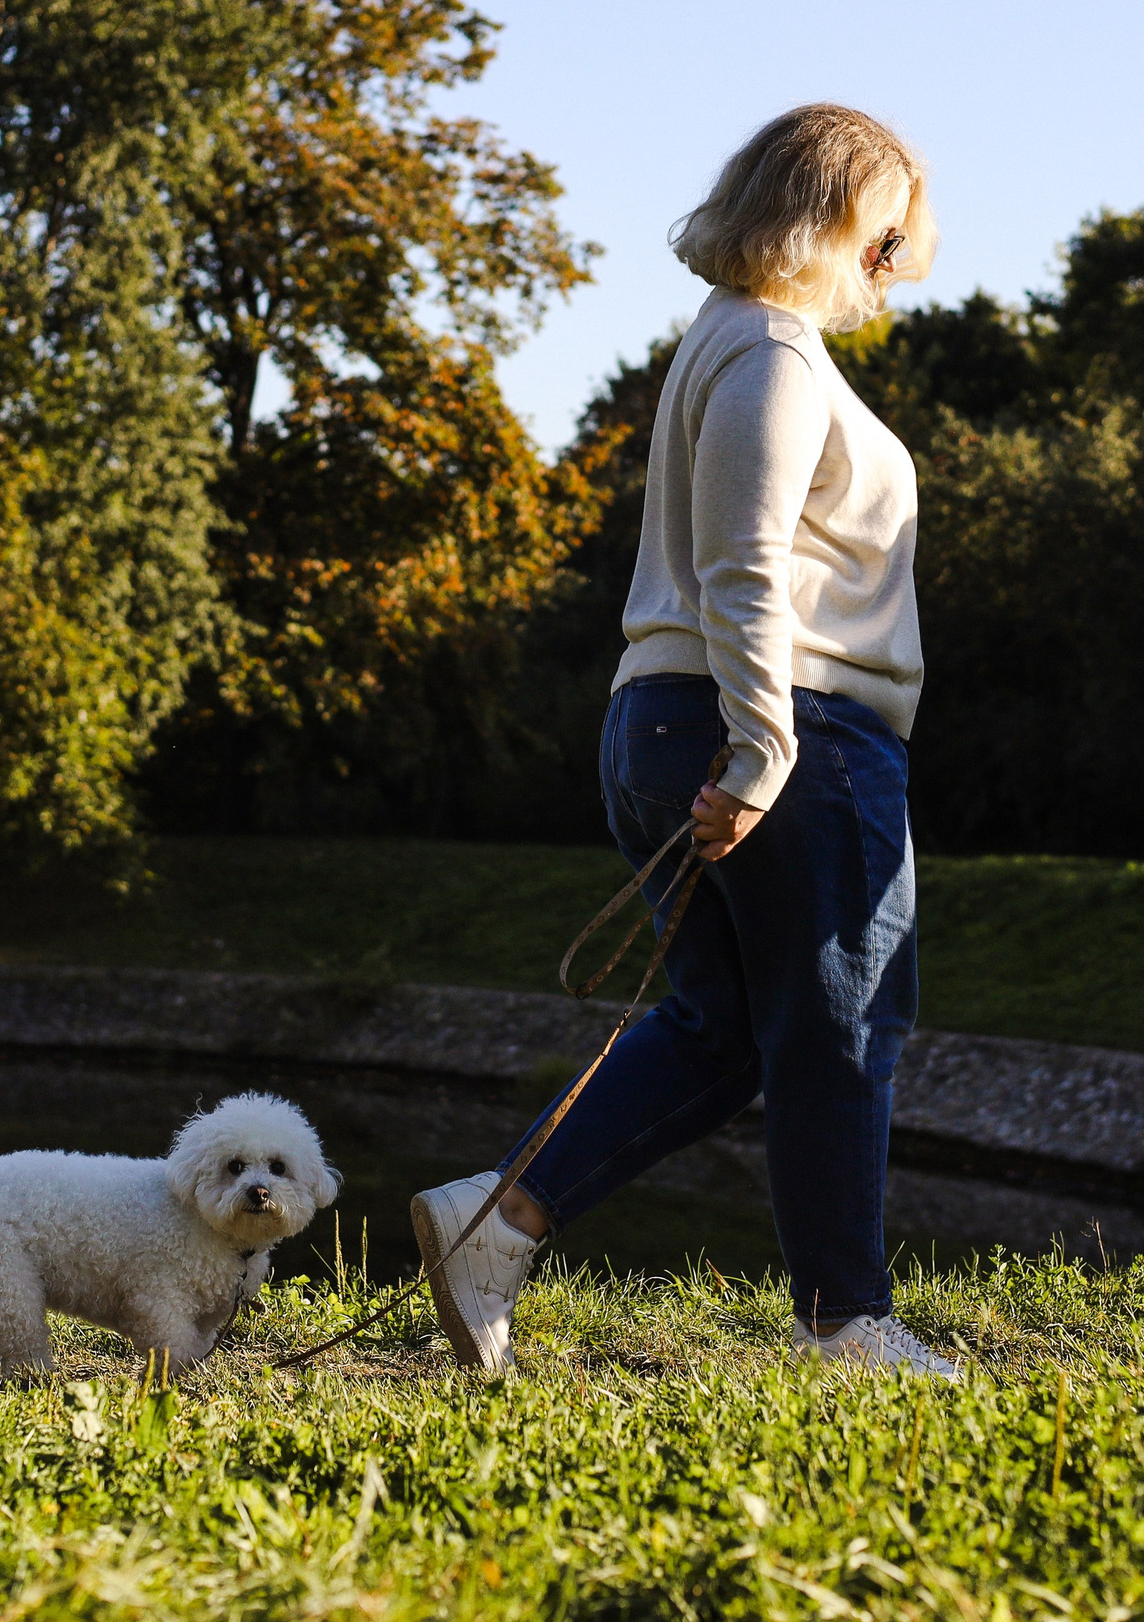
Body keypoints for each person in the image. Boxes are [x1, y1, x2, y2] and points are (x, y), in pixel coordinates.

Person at [410, 104, 956, 1378]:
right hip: (785, 727)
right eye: (882, 246)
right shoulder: (770, 353)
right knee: (845, 1024)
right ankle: (846, 1323)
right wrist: (765, 751)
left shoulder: (722, 342)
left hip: (667, 717)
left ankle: (495, 1223)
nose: (886, 277)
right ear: (827, 220)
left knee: (723, 1027)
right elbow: (744, 568)